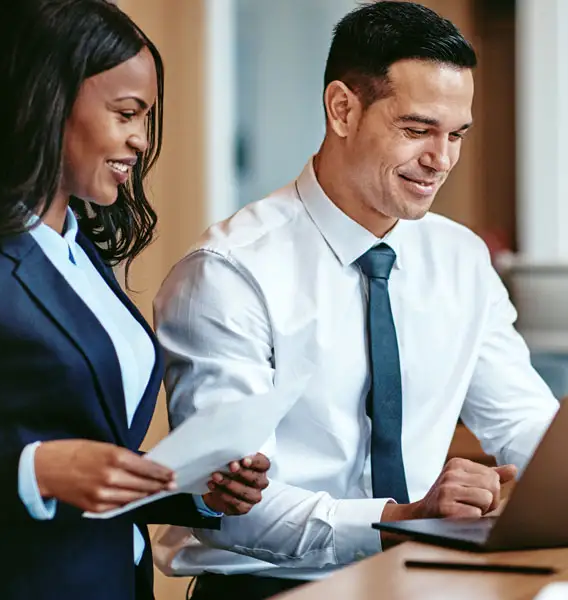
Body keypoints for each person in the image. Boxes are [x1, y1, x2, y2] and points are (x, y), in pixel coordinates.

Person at [153, 1, 560, 599]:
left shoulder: (461, 259)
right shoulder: (230, 274)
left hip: (420, 582)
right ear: (343, 108)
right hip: (271, 591)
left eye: (456, 136)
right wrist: (402, 519)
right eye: (417, 130)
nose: (440, 161)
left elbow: (524, 422)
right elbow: (236, 510)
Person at [0, 1, 270, 599]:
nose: (140, 140)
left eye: (146, 117)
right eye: (126, 114)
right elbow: (50, 464)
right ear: (45, 102)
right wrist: (38, 471)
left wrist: (189, 486)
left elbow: (92, 453)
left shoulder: (80, 254)